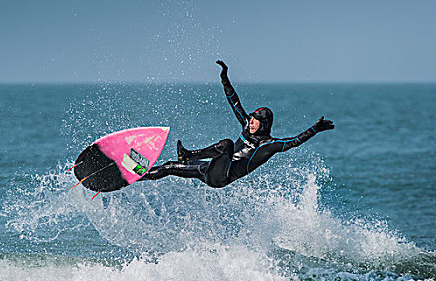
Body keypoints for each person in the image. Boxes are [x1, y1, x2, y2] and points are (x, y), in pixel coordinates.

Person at [141, 60, 334, 188]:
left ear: (264, 124)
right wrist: (224, 78)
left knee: (227, 145)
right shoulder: (246, 127)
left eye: (254, 121)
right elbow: (234, 102)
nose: (250, 123)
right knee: (168, 167)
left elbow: (293, 142)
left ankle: (189, 155)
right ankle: (136, 177)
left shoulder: (267, 145)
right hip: (208, 168)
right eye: (250, 119)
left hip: (221, 177)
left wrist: (314, 130)